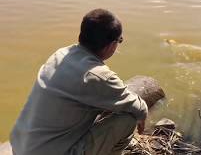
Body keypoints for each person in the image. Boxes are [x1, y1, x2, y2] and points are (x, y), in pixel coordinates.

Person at [10, 9, 148, 155]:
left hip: (20, 147)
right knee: (127, 119)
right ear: (112, 45)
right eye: (119, 40)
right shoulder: (99, 76)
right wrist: (141, 117)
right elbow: (139, 108)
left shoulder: (60, 54)